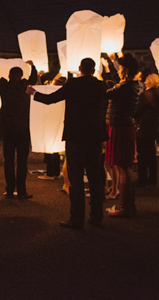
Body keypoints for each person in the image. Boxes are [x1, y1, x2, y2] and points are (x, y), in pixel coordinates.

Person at [27, 57, 108, 228]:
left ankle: (77, 219)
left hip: (76, 137)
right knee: (95, 178)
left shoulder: (74, 84)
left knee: (76, 178)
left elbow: (51, 99)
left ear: (80, 68)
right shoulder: (101, 86)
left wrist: (34, 93)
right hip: (95, 136)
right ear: (94, 70)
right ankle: (96, 217)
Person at [0, 60, 37, 199]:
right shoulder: (25, 87)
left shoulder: (4, 87)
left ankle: (9, 190)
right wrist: (32, 66)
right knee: (22, 161)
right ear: (21, 76)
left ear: (9, 76)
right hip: (23, 129)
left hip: (8, 129)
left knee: (8, 160)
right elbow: (34, 78)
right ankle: (22, 191)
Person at [105, 53, 140, 218]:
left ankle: (124, 208)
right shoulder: (131, 85)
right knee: (124, 167)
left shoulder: (125, 86)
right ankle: (128, 206)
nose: (118, 70)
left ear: (125, 70)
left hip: (120, 127)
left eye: (120, 68)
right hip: (124, 126)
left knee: (122, 166)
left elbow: (106, 94)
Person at [134, 74, 159, 187]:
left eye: (146, 80)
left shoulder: (145, 95)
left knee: (142, 154)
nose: (145, 81)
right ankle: (152, 178)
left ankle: (142, 179)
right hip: (152, 127)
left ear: (149, 83)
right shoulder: (158, 93)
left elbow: (137, 110)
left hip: (144, 127)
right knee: (151, 154)